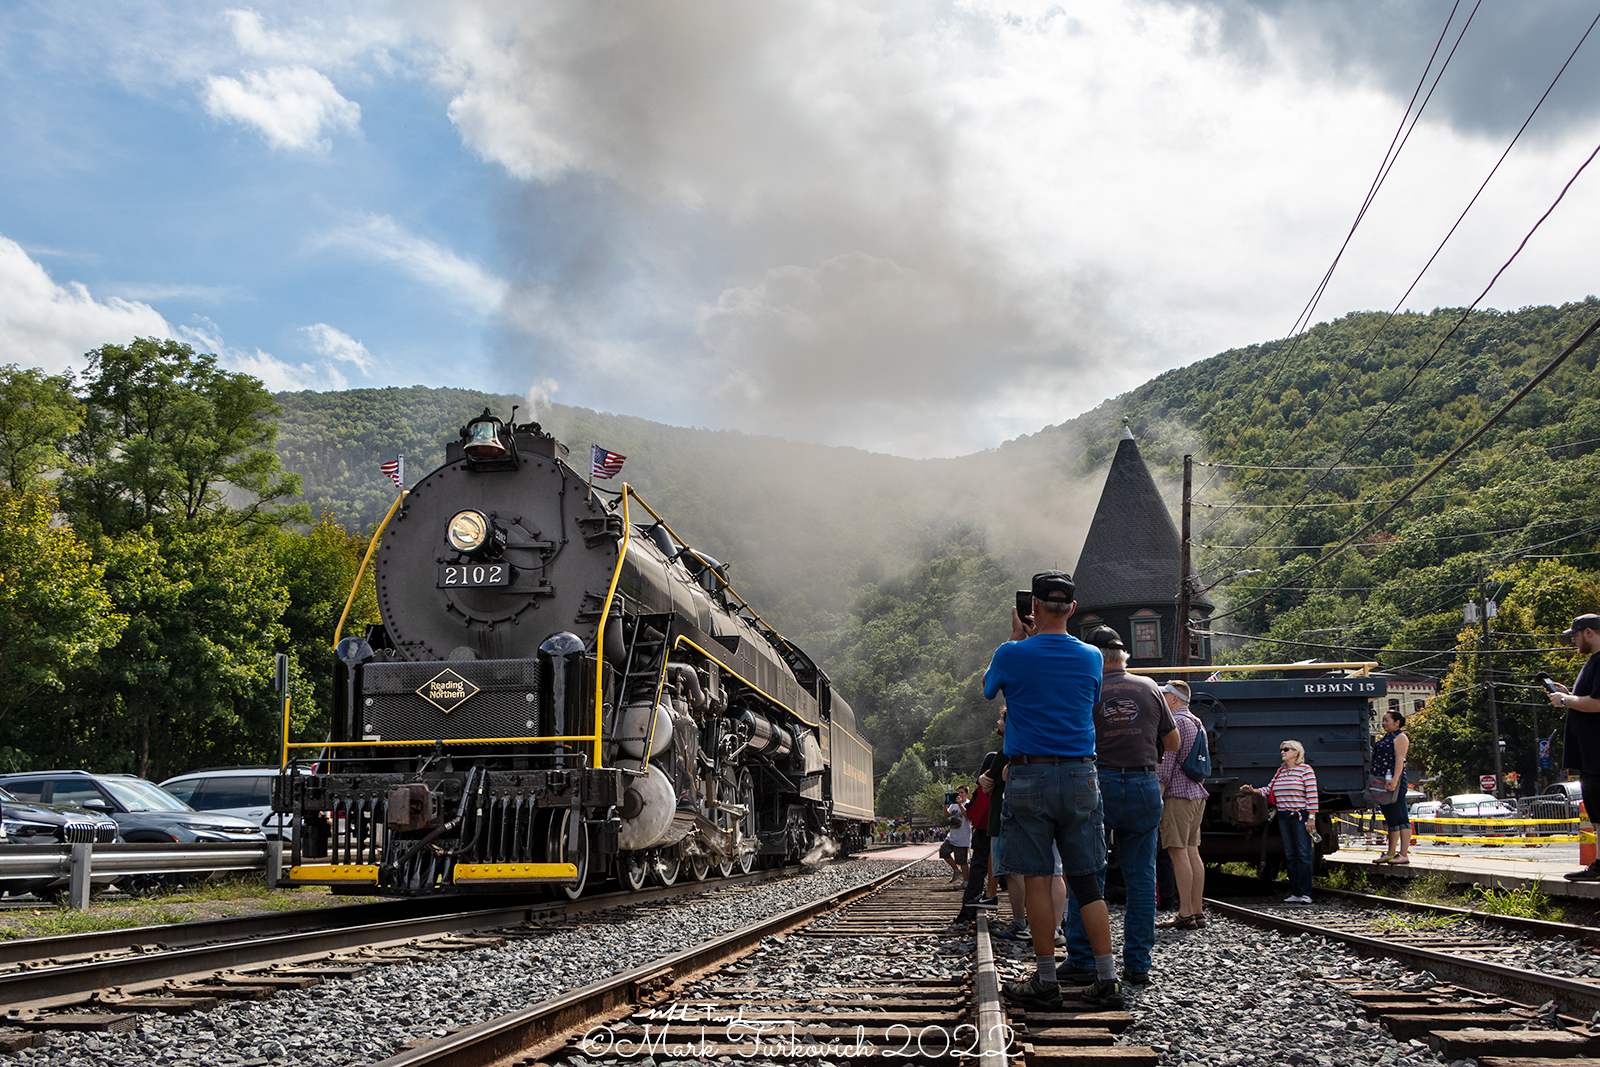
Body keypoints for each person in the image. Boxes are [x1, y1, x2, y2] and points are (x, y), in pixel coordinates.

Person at [983, 570, 1122, 1011]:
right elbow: (1090, 698)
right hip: (1081, 776)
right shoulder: (1093, 658)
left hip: (1029, 776)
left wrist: (1016, 638)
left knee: (1039, 881)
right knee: (1088, 884)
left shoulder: (1010, 653)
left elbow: (990, 691)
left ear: (1033, 609)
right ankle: (1107, 979)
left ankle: (1046, 981)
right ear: (1073, 610)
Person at [1061, 626, 1176, 988]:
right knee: (1141, 876)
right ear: (1123, 654)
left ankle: (1083, 958)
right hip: (1144, 784)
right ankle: (1138, 964)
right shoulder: (1150, 688)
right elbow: (1171, 742)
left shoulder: (1086, 688)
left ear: (1093, 656)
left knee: (1088, 873)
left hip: (1100, 782)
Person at [1548, 613, 1600, 880]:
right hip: (1591, 751)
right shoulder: (1593, 662)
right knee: (1596, 809)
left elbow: (1598, 703)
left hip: (1597, 751)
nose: (1574, 641)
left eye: (1576, 635)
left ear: (1589, 632)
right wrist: (1568, 694)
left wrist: (1566, 701)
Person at [1157, 679, 1209, 928]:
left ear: (1174, 698)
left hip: (1177, 795)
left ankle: (1185, 913)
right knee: (1192, 852)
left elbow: (1166, 763)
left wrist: (1157, 795)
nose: (1162, 698)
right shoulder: (1197, 721)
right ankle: (1197, 911)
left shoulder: (1174, 722)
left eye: (1164, 694)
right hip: (1197, 793)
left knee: (1178, 854)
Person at [1240, 740, 1319, 903]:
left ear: (1296, 752)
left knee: (1303, 854)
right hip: (1283, 816)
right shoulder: (1281, 772)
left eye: (1286, 749)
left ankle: (1306, 893)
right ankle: (1296, 892)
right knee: (1290, 854)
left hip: (1300, 815)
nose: (1282, 752)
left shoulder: (1306, 770)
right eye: (1281, 749)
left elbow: (1312, 795)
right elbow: (1269, 789)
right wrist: (1253, 791)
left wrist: (1312, 817)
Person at [1371, 710, 1412, 864]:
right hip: (1382, 780)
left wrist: (1395, 779)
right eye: (1383, 720)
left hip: (1395, 780)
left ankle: (1403, 854)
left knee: (1401, 816)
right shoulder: (1386, 737)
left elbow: (1400, 760)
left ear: (1397, 722)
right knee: (1391, 818)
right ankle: (1390, 852)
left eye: (1387, 720)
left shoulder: (1400, 737)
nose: (1384, 723)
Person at [941, 785, 972, 886]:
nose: (959, 795)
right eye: (958, 793)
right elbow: (947, 816)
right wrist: (944, 805)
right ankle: (956, 870)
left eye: (962, 793)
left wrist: (960, 804)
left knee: (962, 861)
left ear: (967, 793)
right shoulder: (953, 805)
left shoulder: (968, 804)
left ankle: (966, 882)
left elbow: (968, 816)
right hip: (952, 835)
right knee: (943, 852)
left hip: (962, 837)